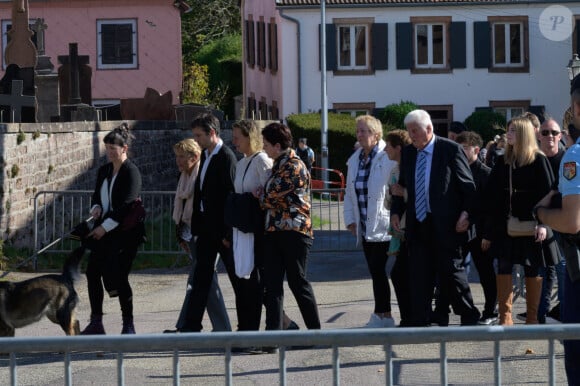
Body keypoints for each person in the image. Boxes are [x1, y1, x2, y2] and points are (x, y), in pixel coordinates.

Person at [390, 109, 481, 327]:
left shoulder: (450, 150)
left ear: (429, 129)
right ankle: (420, 319)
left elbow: (468, 187)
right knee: (419, 273)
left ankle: (469, 315)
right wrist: (396, 211)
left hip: (446, 224)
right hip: (418, 223)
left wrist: (466, 214)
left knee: (451, 272)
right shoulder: (410, 153)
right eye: (409, 131)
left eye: (415, 131)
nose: (411, 136)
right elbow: (401, 186)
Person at [482, 116, 559, 325]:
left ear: (524, 134)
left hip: (532, 224)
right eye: (509, 130)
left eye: (514, 130)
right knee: (503, 266)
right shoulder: (502, 160)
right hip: (506, 224)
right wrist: (489, 231)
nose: (508, 134)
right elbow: (492, 196)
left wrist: (543, 223)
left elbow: (550, 194)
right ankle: (505, 317)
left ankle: (532, 317)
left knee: (532, 268)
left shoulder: (539, 159)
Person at [257, 122, 321, 347]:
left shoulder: (294, 165)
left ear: (277, 145)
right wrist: (264, 195)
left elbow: (271, 196)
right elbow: (270, 195)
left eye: (266, 144)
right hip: (275, 230)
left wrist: (261, 196)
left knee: (297, 281)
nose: (263, 148)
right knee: (272, 285)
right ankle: (272, 338)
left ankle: (316, 333)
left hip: (295, 231)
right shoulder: (278, 165)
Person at [81, 123, 146, 335]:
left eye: (113, 148)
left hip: (126, 234)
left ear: (124, 148)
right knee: (92, 272)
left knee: (119, 276)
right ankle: (96, 321)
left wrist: (104, 228)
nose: (109, 152)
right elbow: (96, 196)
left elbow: (126, 205)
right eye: (107, 148)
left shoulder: (131, 172)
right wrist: (96, 207)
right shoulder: (104, 170)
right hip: (104, 230)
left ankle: (128, 324)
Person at [180, 113, 242, 333]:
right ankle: (191, 326)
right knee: (201, 278)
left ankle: (246, 325)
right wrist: (195, 229)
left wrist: (227, 232)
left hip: (222, 230)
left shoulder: (226, 158)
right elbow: (200, 194)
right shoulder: (206, 156)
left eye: (199, 135)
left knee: (238, 278)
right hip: (206, 229)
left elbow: (230, 196)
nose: (195, 140)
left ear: (212, 133)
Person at [163, 139, 231, 333]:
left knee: (204, 280)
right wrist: (181, 235)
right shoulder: (183, 176)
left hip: (205, 233)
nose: (178, 161)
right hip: (190, 233)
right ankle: (188, 325)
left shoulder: (202, 173)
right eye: (177, 156)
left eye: (182, 156)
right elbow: (183, 206)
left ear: (194, 157)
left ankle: (217, 328)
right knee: (197, 280)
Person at [344, 115, 397, 328]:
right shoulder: (355, 159)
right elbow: (349, 192)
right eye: (358, 131)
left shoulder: (387, 157)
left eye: (364, 131)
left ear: (376, 135)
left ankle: (382, 314)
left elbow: (392, 187)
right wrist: (349, 219)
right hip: (365, 225)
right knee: (376, 272)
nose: (359, 134)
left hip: (384, 224)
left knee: (378, 270)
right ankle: (384, 315)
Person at [455, 131, 498, 325]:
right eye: (459, 148)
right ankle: (464, 310)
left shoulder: (486, 173)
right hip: (459, 231)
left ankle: (491, 310)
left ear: (476, 150)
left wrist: (488, 235)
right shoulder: (455, 170)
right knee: (453, 270)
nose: (461, 152)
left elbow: (491, 208)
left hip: (480, 232)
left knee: (485, 273)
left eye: (465, 148)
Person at [532, 118, 566, 324]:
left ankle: (564, 311)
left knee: (562, 269)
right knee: (541, 270)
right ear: (538, 136)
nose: (550, 136)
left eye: (554, 132)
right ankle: (539, 315)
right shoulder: (533, 160)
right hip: (538, 222)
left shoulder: (566, 159)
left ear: (560, 136)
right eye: (545, 133)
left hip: (562, 222)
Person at [383, 129, 412, 326]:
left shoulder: (412, 167)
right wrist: (391, 193)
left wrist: (404, 192)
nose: (385, 149)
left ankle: (414, 316)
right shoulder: (393, 170)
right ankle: (407, 317)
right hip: (399, 230)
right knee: (399, 274)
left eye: (388, 146)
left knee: (403, 274)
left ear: (398, 148)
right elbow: (387, 203)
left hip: (413, 228)